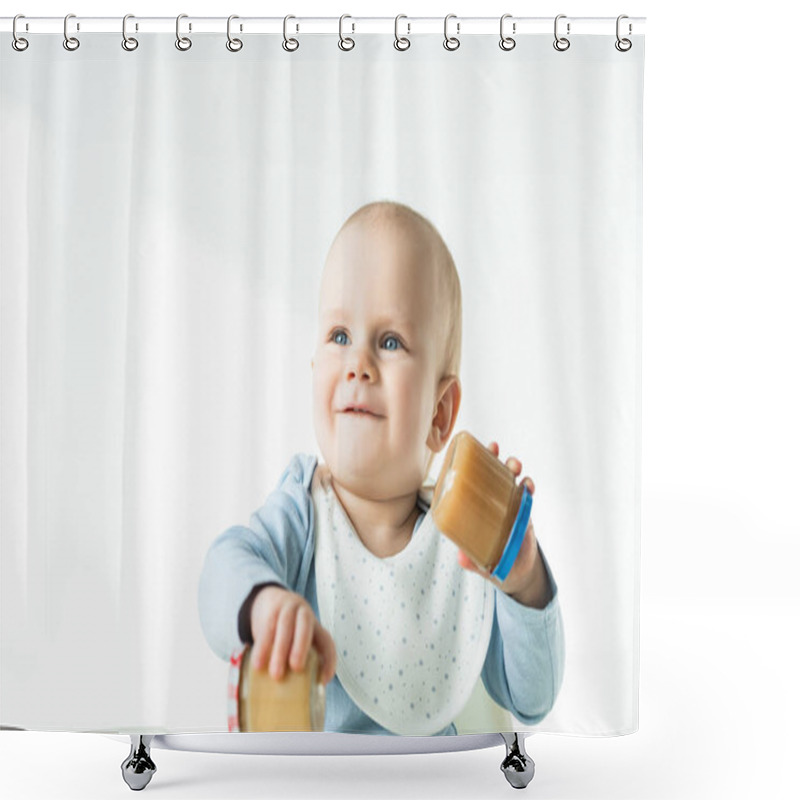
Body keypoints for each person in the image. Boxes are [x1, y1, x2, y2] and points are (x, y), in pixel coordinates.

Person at [198, 200, 564, 735]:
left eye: (389, 342)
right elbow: (220, 571)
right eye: (339, 336)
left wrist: (521, 575)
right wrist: (263, 605)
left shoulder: (461, 548)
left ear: (438, 415)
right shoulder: (304, 512)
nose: (358, 365)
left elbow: (534, 699)